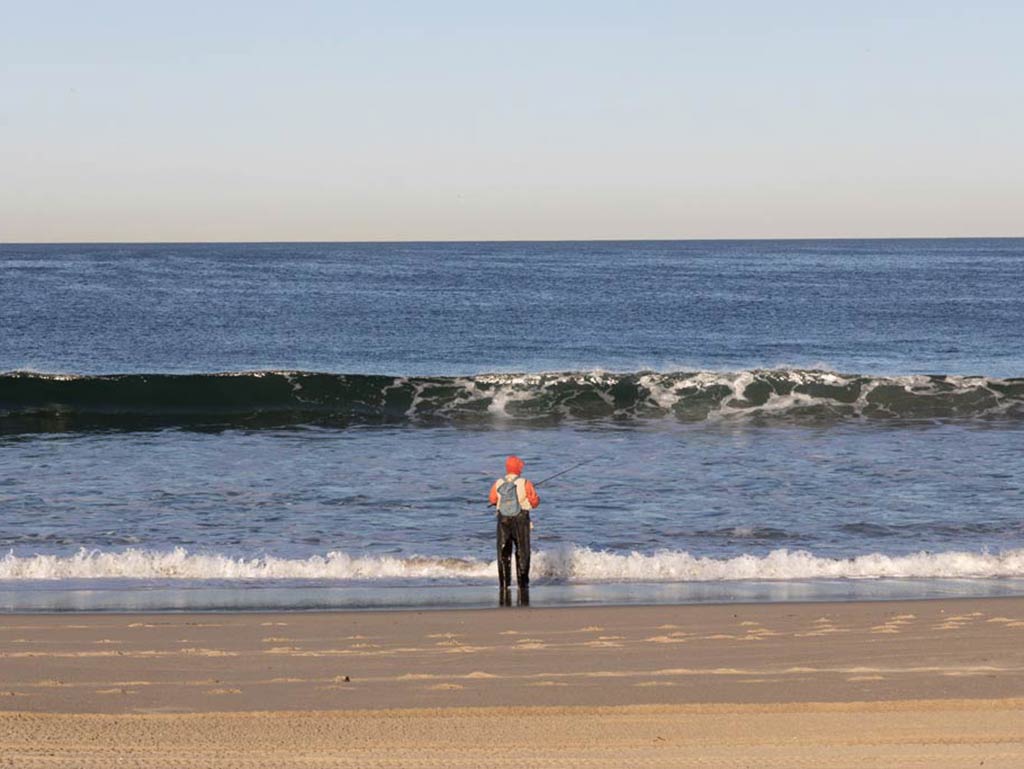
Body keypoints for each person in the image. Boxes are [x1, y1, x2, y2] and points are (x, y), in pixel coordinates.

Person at [488, 455, 540, 605]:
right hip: (521, 519)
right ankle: (522, 584)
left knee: (503, 552)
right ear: (518, 468)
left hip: (503, 519)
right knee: (522, 551)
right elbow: (534, 502)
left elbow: (492, 499)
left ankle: (504, 585)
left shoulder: (498, 482)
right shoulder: (525, 483)